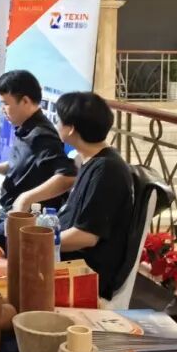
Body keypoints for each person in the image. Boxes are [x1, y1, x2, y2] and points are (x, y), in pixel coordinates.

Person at [53, 91, 134, 301]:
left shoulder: (107, 170)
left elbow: (86, 237)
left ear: (71, 129)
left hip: (85, 273)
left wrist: (36, 243)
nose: (56, 124)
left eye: (58, 120)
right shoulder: (90, 160)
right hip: (67, 259)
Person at [0, 70, 76, 217]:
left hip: (25, 219)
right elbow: (21, 168)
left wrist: (26, 198)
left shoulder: (41, 135)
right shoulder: (25, 128)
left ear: (25, 101)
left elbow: (68, 176)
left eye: (6, 104)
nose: (3, 110)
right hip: (7, 212)